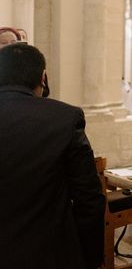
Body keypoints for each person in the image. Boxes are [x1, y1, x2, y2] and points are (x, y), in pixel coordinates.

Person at [0, 43, 105, 269]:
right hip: (49, 253)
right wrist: (91, 258)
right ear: (43, 78)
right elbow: (89, 199)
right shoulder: (65, 118)